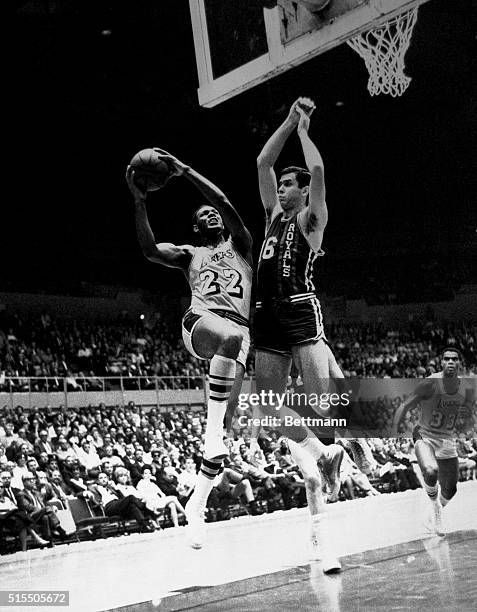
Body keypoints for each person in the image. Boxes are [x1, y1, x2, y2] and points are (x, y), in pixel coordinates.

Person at [126, 148, 252, 549]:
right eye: (202, 216)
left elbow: (224, 202)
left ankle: (196, 505)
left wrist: (187, 170)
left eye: (211, 213)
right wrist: (139, 202)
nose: (210, 215)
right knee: (229, 339)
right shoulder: (191, 254)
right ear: (195, 229)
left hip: (238, 340)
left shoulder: (242, 245)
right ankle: (212, 432)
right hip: (201, 324)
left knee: (219, 445)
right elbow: (148, 251)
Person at [251, 97, 343, 572]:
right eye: (281, 186)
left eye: (289, 185)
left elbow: (320, 169)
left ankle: (323, 528)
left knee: (323, 410)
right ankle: (321, 454)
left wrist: (306, 131)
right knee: (266, 407)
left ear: (304, 192)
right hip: (266, 314)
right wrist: (287, 119)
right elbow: (264, 160)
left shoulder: (311, 219)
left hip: (301, 311)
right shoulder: (270, 216)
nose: (281, 189)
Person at [393, 348, 475, 535]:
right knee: (430, 470)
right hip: (425, 435)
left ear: (459, 363)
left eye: (454, 359)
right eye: (447, 359)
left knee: (451, 489)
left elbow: (468, 416)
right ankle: (435, 507)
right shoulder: (430, 383)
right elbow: (405, 405)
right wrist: (396, 429)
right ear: (442, 363)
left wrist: (466, 423)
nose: (451, 362)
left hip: (447, 439)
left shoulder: (467, 389)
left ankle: (434, 511)